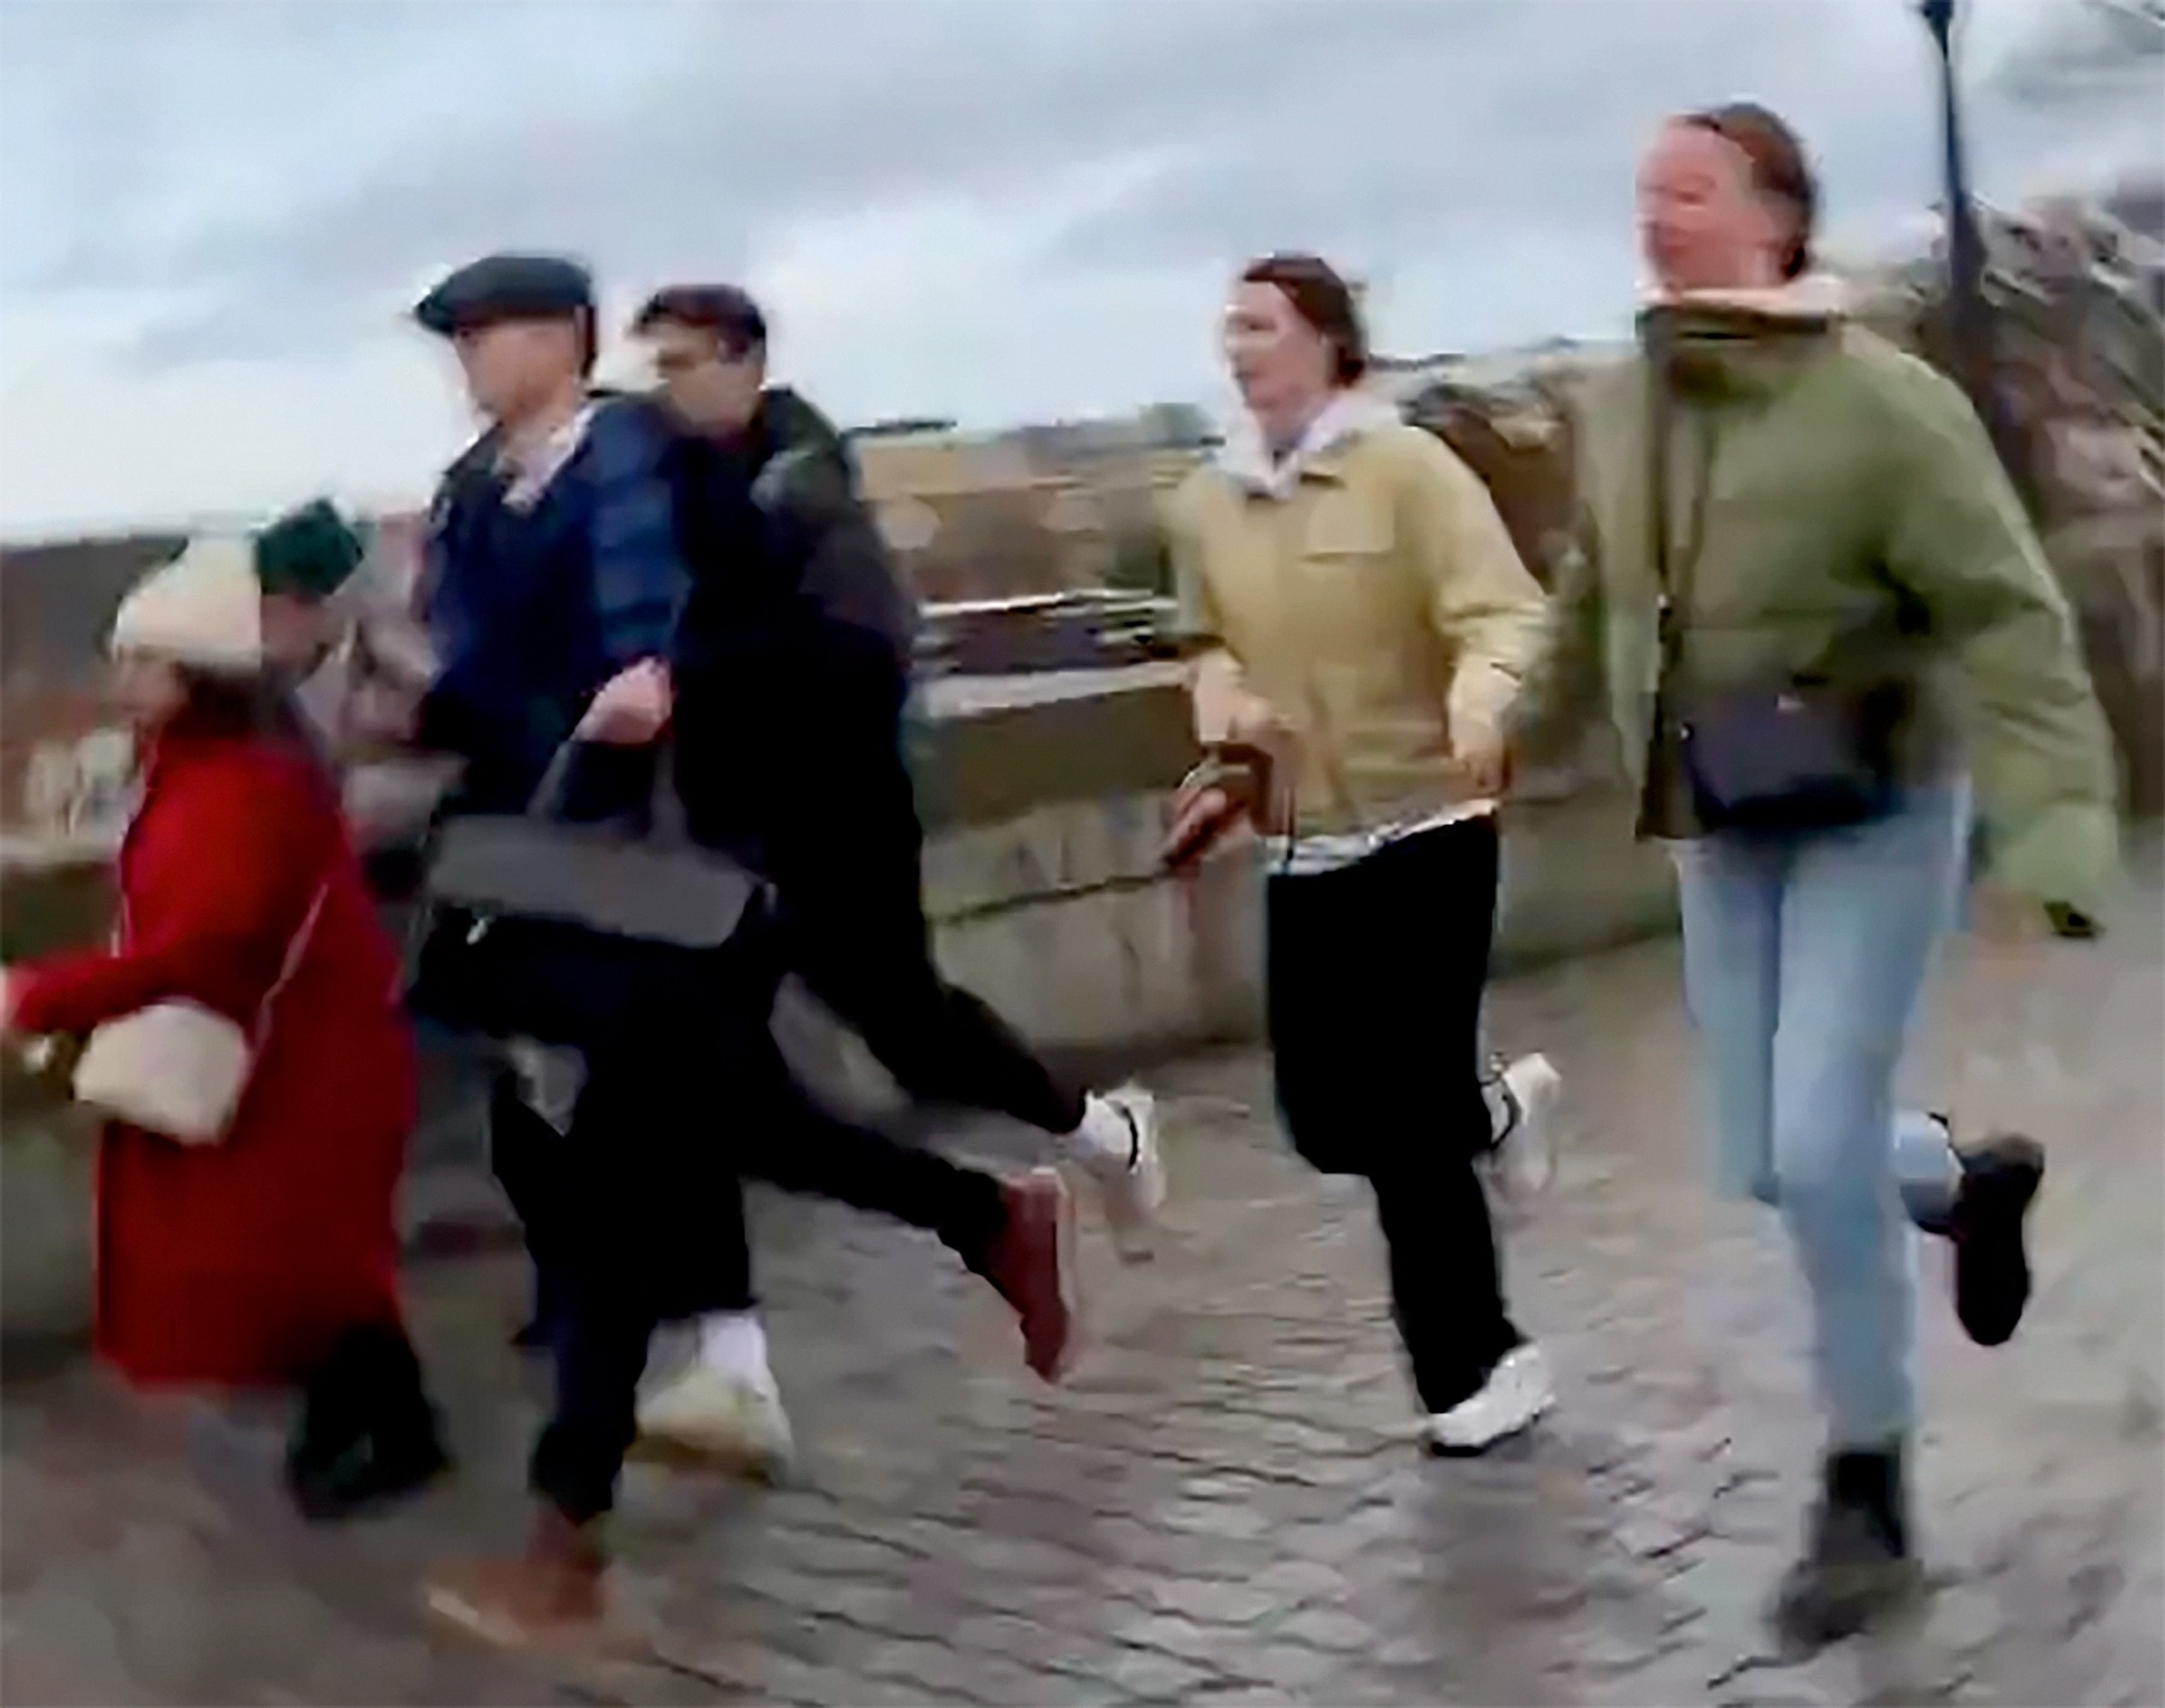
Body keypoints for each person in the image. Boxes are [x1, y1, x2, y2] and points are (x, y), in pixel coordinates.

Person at [1506, 104, 2119, 1649]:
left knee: (1814, 1133)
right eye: (1644, 190)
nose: (1658, 214)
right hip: (1721, 810)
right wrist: (1520, 728)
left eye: (1691, 190)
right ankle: (1963, 1183)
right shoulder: (1621, 399)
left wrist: (2054, 829)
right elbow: (1590, 591)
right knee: (1774, 1154)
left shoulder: (1885, 407)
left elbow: (2011, 614)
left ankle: (1868, 1491)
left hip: (1877, 805)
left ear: (1777, 217)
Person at [400, 254, 1077, 1648]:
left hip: (674, 863)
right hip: (553, 867)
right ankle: (986, 1217)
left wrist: (670, 691)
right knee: (754, 1125)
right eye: (459, 336)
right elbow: (468, 670)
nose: (467, 356)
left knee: (608, 1202)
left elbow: (761, 623)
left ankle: (564, 1546)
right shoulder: (472, 493)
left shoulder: (655, 460)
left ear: (563, 340)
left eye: (489, 332)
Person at [623, 283, 1165, 1468]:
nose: (666, 388)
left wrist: (703, 683)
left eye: (683, 364)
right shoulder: (670, 479)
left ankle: (1093, 1137)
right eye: (653, 365)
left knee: (909, 1031)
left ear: (746, 363)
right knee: (701, 1066)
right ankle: (735, 1359)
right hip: (726, 835)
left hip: (836, 817)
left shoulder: (805, 487)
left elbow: (861, 656)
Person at [1162, 253, 1562, 1457]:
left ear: (1330, 342)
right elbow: (1205, 639)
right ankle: (1496, 1109)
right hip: (1302, 837)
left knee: (1401, 1131)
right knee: (1324, 1117)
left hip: (1432, 820)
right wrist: (1227, 711)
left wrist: (1483, 704)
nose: (1240, 348)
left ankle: (1480, 1366)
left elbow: (1504, 613)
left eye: (1264, 326)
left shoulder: (1407, 470)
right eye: (1228, 325)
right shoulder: (1203, 503)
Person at [0, 535, 448, 1521]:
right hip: (279, 1047)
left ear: (195, 672)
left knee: (308, 1258)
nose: (121, 678)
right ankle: (377, 1428)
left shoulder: (244, 786)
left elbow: (205, 947)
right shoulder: (200, 770)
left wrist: (41, 995)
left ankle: (386, 1432)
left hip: (305, 1059)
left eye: (141, 660)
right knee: (303, 1259)